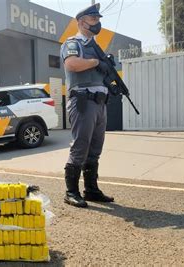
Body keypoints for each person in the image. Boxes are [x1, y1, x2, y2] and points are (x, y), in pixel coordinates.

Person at [60, 3, 115, 208]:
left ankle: (91, 190)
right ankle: (71, 191)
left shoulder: (95, 47)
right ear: (81, 22)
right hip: (83, 100)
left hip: (100, 103)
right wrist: (95, 62)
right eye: (93, 20)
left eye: (98, 20)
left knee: (95, 149)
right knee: (80, 147)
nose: (97, 23)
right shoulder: (73, 43)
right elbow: (72, 64)